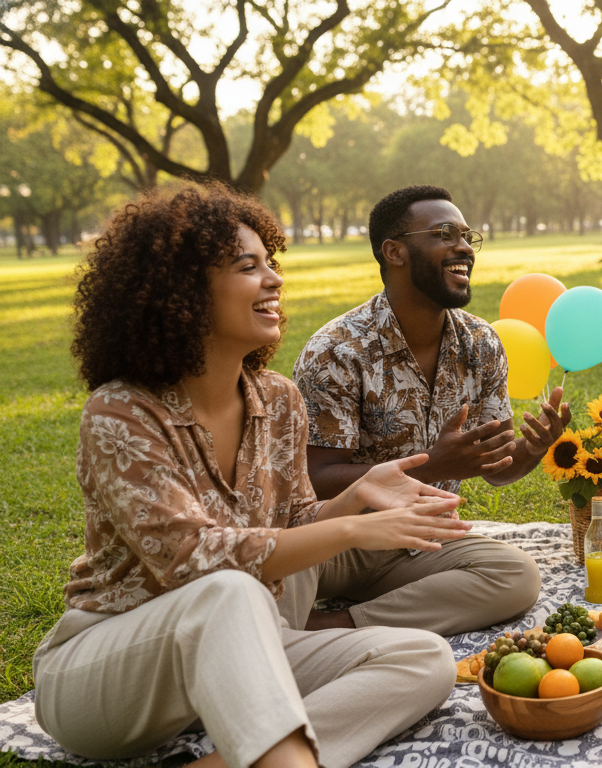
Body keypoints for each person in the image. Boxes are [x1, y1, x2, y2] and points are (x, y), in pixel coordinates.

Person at [34, 183, 463, 768]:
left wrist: (358, 498)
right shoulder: (121, 412)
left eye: (271, 263)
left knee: (424, 657)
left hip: (239, 651)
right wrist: (351, 532)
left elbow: (293, 528)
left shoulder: (279, 400)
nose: (275, 280)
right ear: (182, 291)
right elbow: (190, 559)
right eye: (247, 266)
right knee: (228, 590)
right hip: (111, 672)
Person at [287, 185, 562, 636]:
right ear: (394, 251)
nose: (463, 247)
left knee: (516, 577)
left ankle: (335, 624)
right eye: (444, 233)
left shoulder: (481, 343)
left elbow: (496, 468)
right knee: (250, 578)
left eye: (467, 236)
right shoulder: (336, 350)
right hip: (337, 542)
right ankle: (344, 613)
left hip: (420, 542)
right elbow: (312, 479)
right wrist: (432, 466)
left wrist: (528, 452)